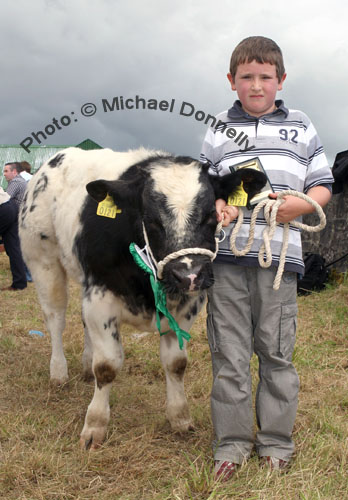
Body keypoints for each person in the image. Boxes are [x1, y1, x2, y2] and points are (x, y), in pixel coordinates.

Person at [200, 36, 334, 480]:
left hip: (280, 260)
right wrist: (217, 205)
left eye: (265, 77)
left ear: (280, 79)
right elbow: (206, 183)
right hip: (228, 258)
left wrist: (302, 204)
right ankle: (232, 444)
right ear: (231, 81)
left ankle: (276, 442)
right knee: (230, 353)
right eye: (246, 77)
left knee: (276, 351)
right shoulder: (218, 126)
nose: (256, 85)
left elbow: (322, 183)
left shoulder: (301, 124)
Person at [0, 187, 27, 290]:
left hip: (3, 209)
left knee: (13, 248)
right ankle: (20, 284)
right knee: (13, 248)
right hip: (10, 205)